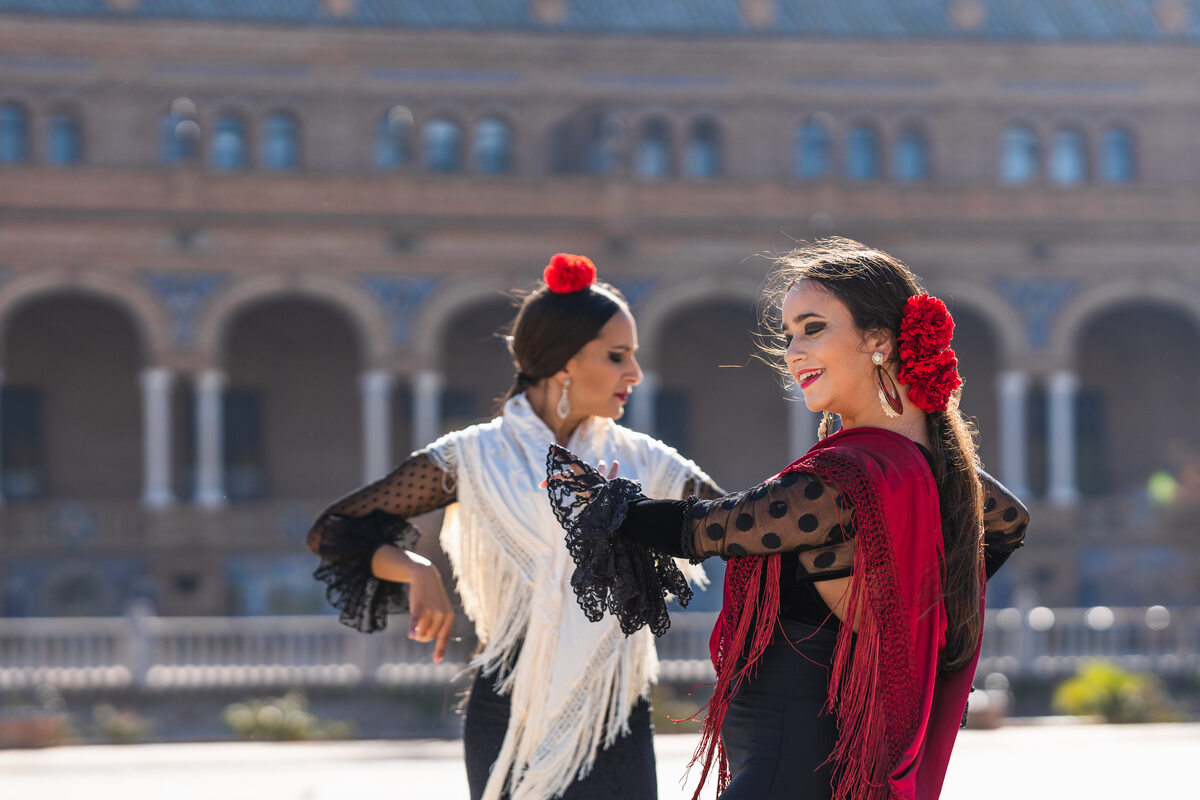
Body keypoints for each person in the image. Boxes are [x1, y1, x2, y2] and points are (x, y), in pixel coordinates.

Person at [545, 238, 1029, 800]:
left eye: (813, 327)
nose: (793, 351)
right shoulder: (924, 465)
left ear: (878, 339)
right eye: (789, 334)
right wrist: (919, 606)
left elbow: (714, 528)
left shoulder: (846, 475)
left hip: (789, 761)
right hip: (822, 756)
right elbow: (1009, 522)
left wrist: (607, 505)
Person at [306, 253, 722, 800]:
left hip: (613, 716)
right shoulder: (473, 457)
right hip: (507, 712)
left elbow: (743, 528)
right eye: (618, 356)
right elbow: (336, 530)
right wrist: (415, 569)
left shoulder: (647, 461)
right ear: (562, 364)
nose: (636, 374)